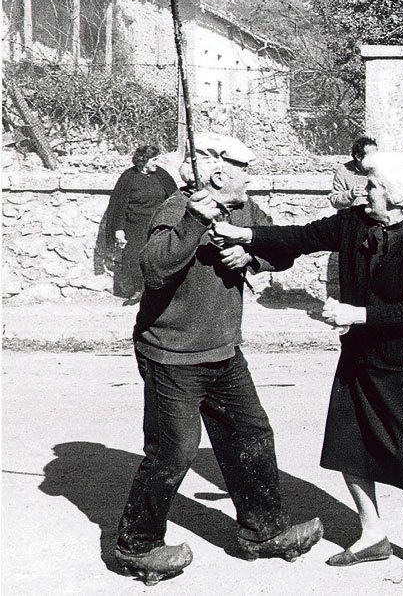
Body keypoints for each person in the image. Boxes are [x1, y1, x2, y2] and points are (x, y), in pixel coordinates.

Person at [216, 150, 403, 587]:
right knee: (351, 445)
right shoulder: (356, 221)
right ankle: (373, 534)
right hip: (359, 356)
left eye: (375, 186)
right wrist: (243, 233)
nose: (367, 191)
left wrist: (354, 314)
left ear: (399, 197)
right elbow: (299, 237)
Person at [113, 133, 322, 585]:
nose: (249, 176)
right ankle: (138, 546)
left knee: (250, 434)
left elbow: (282, 246)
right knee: (175, 449)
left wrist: (251, 256)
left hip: (223, 350)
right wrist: (193, 220)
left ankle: (263, 533)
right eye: (243, 168)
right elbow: (153, 269)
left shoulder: (244, 210)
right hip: (171, 354)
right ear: (217, 172)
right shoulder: (175, 208)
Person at [102, 144, 178, 304]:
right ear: (143, 160)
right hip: (135, 226)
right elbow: (118, 205)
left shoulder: (162, 175)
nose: (157, 162)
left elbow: (174, 198)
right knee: (135, 258)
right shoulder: (129, 177)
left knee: (160, 257)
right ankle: (139, 290)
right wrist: (118, 230)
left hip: (159, 224)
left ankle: (158, 292)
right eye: (154, 159)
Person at [330, 136, 379, 210]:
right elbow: (334, 201)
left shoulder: (382, 169)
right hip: (354, 217)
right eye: (371, 157)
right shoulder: (343, 171)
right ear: (358, 157)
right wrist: (349, 194)